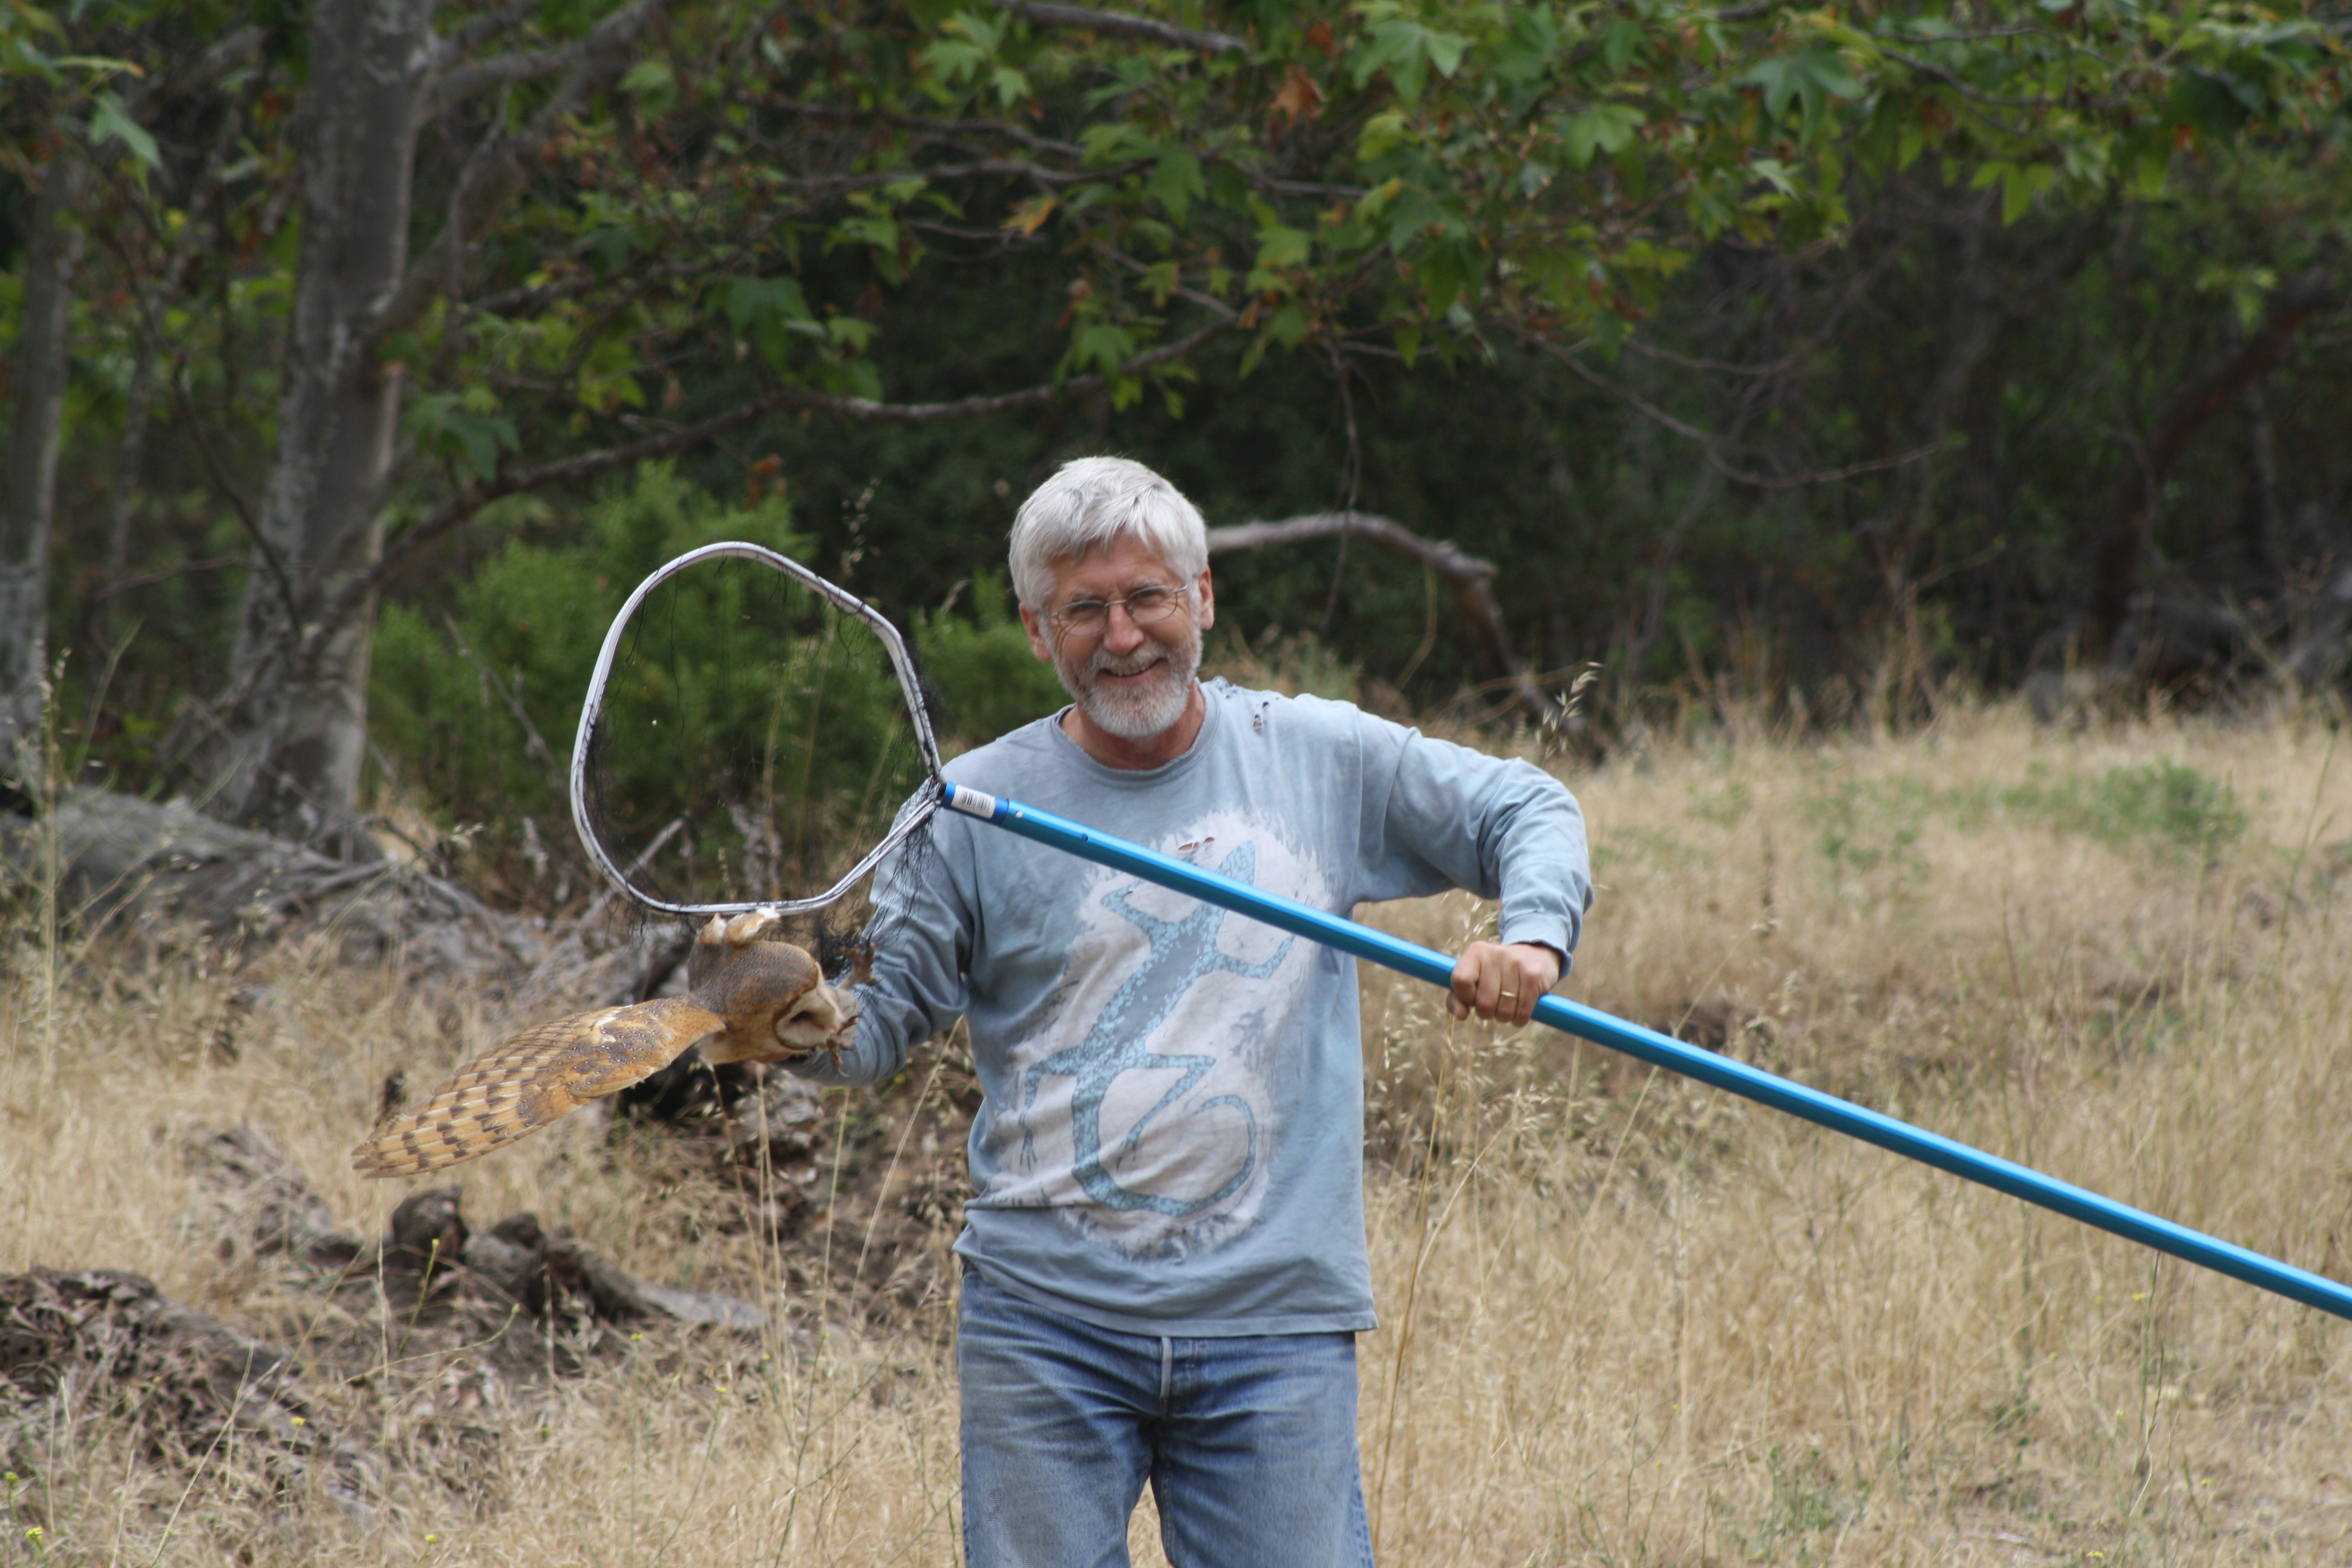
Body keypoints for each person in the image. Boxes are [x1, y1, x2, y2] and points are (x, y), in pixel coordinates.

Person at [789, 457, 1591, 1567]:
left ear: (1203, 598)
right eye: (1085, 609)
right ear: (1037, 630)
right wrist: (785, 1017)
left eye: (1148, 598)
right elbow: (872, 1030)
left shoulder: (1316, 757)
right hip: (1045, 1328)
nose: (1123, 637)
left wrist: (1532, 938)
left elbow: (1526, 804)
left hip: (1277, 1327)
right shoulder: (966, 808)